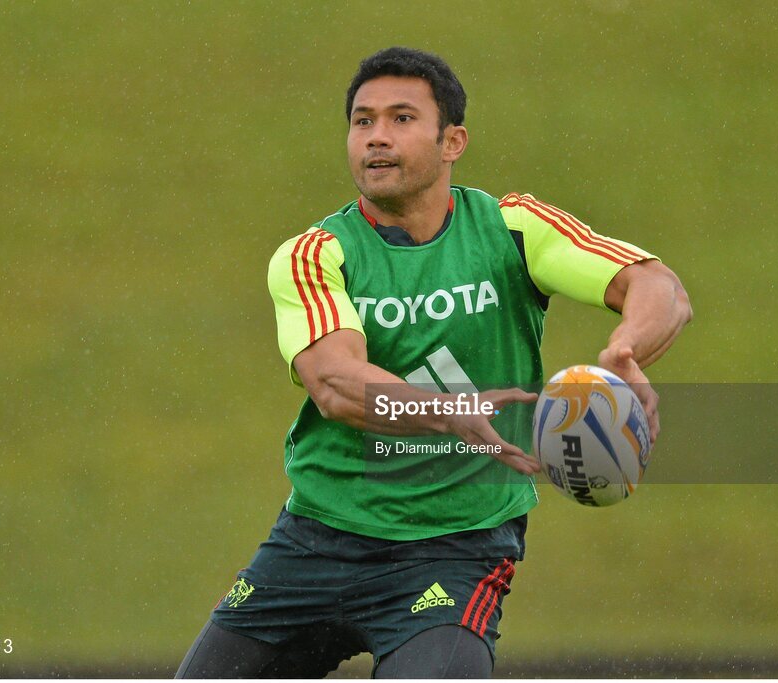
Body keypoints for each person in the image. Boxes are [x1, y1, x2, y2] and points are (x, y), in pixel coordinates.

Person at [176, 46, 691, 679]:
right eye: (362, 122)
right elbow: (337, 383)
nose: (376, 139)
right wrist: (449, 414)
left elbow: (657, 286)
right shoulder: (315, 254)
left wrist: (625, 351)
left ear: (453, 141)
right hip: (315, 542)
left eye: (401, 119)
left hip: (456, 551)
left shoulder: (513, 230)